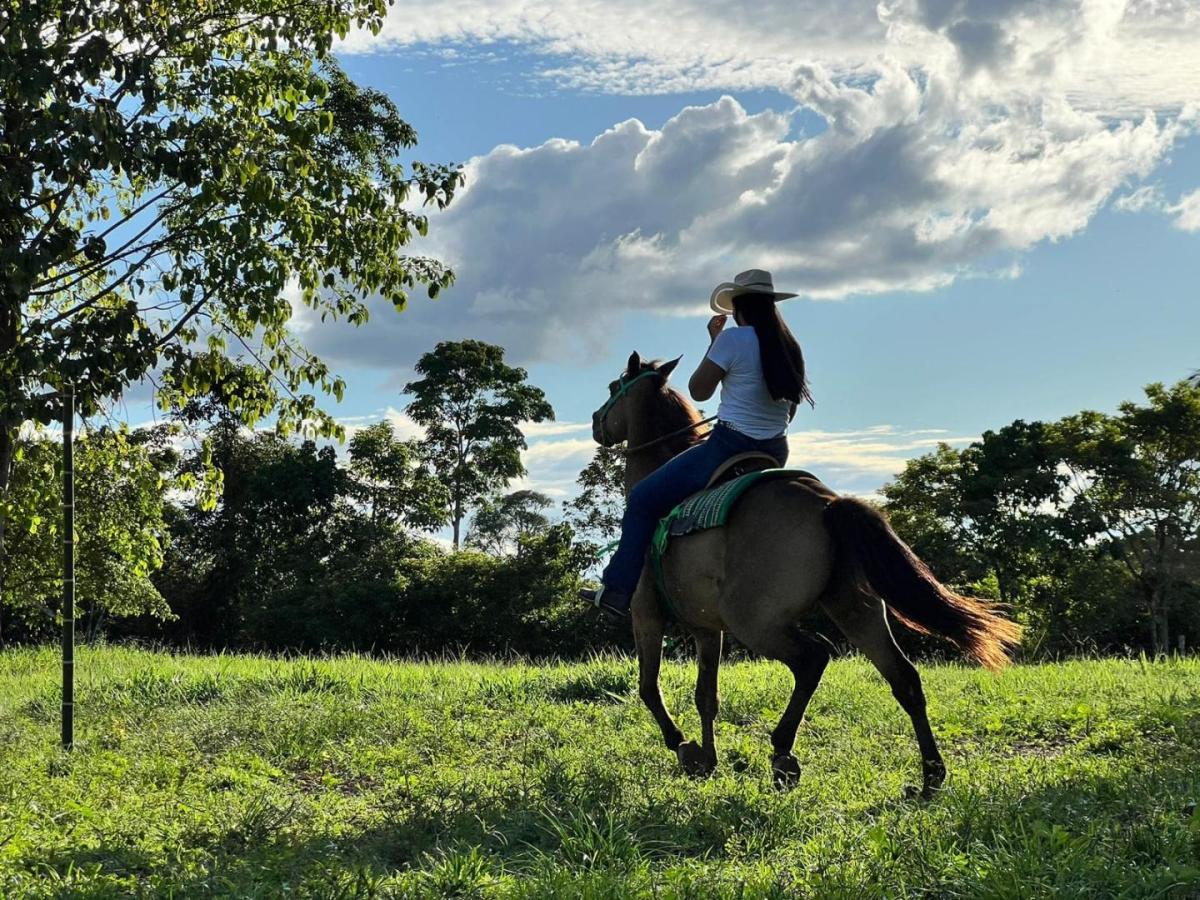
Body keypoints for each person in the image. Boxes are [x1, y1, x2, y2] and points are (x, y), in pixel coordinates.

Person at [581, 269, 814, 619]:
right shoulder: (788, 346)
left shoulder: (734, 339)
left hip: (728, 445)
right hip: (775, 450)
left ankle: (617, 592)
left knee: (643, 499)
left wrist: (714, 346)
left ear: (738, 306)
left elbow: (699, 390)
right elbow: (790, 408)